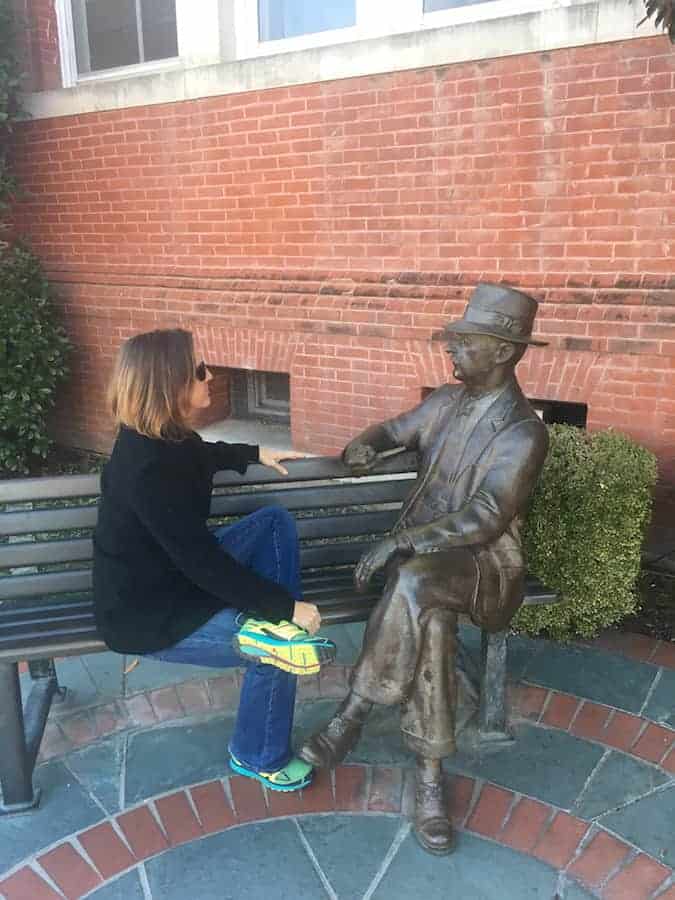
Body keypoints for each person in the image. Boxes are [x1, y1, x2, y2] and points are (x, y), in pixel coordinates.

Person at [299, 283, 549, 852]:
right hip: (428, 567)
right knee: (430, 617)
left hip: (485, 567)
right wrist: (365, 443)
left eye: (465, 342)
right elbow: (394, 430)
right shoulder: (443, 401)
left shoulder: (523, 432)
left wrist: (399, 542)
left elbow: (486, 518)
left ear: (504, 351)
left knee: (415, 580)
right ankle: (430, 779)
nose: (451, 351)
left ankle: (354, 712)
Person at [93, 328, 336, 792]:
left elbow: (201, 456)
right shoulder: (145, 468)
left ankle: (272, 627)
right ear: (171, 387)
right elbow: (200, 562)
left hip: (172, 579)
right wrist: (283, 609)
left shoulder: (165, 438)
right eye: (200, 371)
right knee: (278, 650)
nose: (210, 376)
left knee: (272, 524)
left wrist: (254, 452)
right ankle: (258, 753)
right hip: (147, 615)